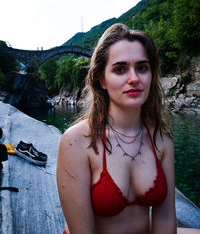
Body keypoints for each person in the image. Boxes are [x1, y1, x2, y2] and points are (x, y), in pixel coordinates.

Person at [57, 23, 199, 234]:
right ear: (101, 80)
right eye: (120, 69)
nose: (134, 79)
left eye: (142, 67)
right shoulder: (76, 141)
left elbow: (166, 218)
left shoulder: (161, 137)